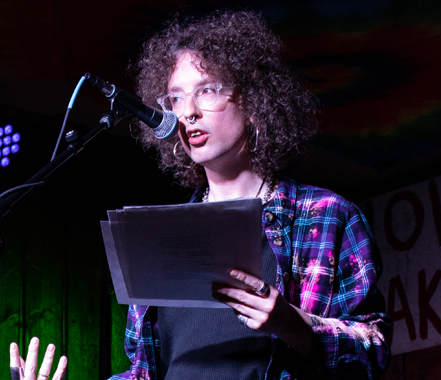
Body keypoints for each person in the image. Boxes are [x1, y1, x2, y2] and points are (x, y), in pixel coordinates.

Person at [108, 9, 391, 380]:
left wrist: (296, 326)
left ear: (255, 104)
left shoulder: (326, 216)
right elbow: (142, 371)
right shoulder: (161, 235)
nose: (188, 112)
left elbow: (373, 349)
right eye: (175, 99)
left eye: (207, 90)